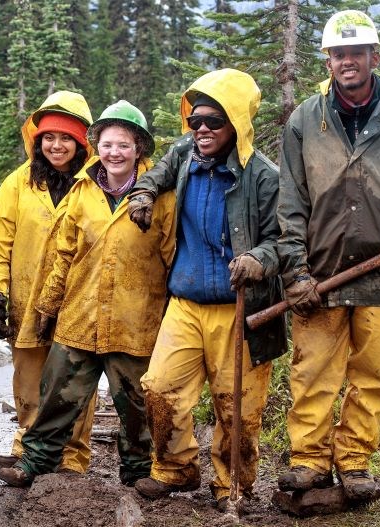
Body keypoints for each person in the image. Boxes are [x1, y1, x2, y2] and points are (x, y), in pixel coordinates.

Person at [276, 10, 380, 501]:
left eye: (356, 52)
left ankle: (355, 463)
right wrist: (296, 270)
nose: (347, 61)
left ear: (375, 56)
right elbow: (291, 202)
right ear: (328, 60)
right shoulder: (305, 119)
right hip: (320, 272)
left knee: (372, 375)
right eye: (338, 53)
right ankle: (308, 461)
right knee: (313, 371)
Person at [124, 69, 287, 511]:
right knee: (159, 388)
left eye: (213, 121)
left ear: (236, 123)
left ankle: (232, 485)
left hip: (242, 307)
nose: (201, 130)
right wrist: (142, 194)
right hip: (186, 304)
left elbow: (285, 240)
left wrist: (258, 260)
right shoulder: (184, 154)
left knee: (237, 408)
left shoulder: (264, 177)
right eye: (195, 120)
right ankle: (175, 468)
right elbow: (155, 174)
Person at [0, 100, 176, 488]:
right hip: (80, 314)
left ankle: (137, 473)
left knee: (135, 406)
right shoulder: (82, 190)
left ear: (139, 148)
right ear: (97, 147)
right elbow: (63, 254)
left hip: (135, 319)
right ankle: (36, 461)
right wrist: (47, 304)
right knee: (57, 396)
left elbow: (172, 256)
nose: (114, 153)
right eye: (107, 144)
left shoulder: (161, 197)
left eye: (124, 145)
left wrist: (171, 315)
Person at [0, 91, 98, 474]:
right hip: (27, 298)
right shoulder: (19, 182)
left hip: (78, 299)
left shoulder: (96, 184)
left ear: (82, 141)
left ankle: (72, 455)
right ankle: (27, 444)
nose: (56, 145)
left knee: (74, 380)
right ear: (37, 139)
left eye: (66, 137)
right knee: (29, 376)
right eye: (49, 137)